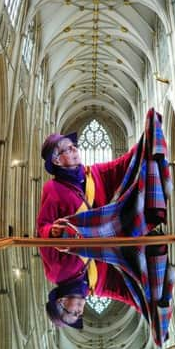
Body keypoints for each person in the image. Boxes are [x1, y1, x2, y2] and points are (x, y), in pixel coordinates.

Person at [36, 132, 139, 328]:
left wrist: (144, 144)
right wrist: (52, 231)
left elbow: (124, 164)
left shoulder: (95, 175)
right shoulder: (52, 187)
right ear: (56, 160)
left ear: (61, 303)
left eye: (72, 145)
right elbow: (43, 226)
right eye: (77, 314)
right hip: (110, 247)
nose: (80, 310)